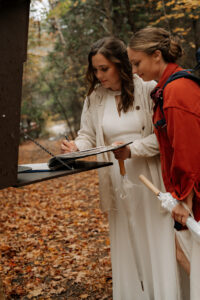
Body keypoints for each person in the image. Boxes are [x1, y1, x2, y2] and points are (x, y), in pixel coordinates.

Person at [61, 37, 180, 300]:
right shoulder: (94, 98)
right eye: (95, 69)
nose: (99, 75)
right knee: (128, 239)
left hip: (150, 176)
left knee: (156, 237)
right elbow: (87, 136)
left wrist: (132, 149)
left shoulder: (148, 88)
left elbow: (165, 137)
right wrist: (76, 148)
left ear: (121, 65)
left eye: (104, 68)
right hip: (117, 179)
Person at [125, 26, 200, 299]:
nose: (134, 70)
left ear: (156, 55)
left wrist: (184, 199)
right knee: (184, 257)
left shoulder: (178, 90)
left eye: (137, 63)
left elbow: (188, 150)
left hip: (194, 197)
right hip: (186, 194)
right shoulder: (166, 89)